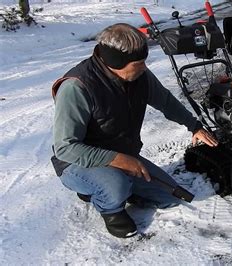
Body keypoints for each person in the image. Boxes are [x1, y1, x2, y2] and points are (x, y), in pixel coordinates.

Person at [51, 23, 218, 238]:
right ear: (115, 63)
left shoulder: (139, 76)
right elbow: (65, 149)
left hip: (122, 155)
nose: (144, 68)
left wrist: (194, 126)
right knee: (115, 186)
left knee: (170, 196)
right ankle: (109, 206)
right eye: (138, 64)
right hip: (76, 163)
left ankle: (122, 187)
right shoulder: (77, 87)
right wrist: (118, 159)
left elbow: (166, 102)